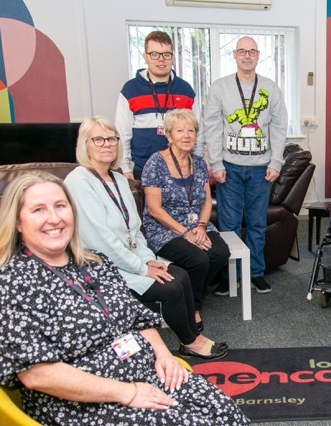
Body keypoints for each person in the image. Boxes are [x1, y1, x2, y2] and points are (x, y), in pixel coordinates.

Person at [0, 171, 249, 426]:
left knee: (217, 407)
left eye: (60, 205)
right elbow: (37, 374)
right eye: (39, 210)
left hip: (135, 369)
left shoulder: (93, 262)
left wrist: (163, 356)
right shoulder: (10, 285)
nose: (54, 217)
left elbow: (136, 316)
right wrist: (129, 393)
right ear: (18, 224)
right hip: (74, 398)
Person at [65, 116, 228, 360]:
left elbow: (135, 230)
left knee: (181, 275)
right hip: (100, 265)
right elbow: (102, 242)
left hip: (130, 256)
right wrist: (141, 267)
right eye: (98, 139)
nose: (107, 144)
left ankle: (191, 335)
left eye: (112, 138)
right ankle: (190, 341)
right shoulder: (78, 181)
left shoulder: (119, 179)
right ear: (84, 144)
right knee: (173, 286)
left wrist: (148, 259)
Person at [203, 35, 288, 295]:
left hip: (261, 168)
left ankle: (256, 273)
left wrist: (276, 161)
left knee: (256, 224)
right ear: (235, 55)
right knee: (228, 223)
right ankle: (231, 276)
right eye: (242, 51)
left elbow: (279, 126)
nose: (247, 55)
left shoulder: (271, 88)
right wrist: (216, 163)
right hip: (229, 166)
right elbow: (212, 127)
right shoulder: (220, 87)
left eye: (252, 51)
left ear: (258, 55)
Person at [141, 109, 228, 325]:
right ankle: (193, 307)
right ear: (169, 136)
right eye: (180, 131)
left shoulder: (199, 163)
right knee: (198, 260)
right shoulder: (155, 163)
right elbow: (154, 209)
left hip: (195, 224)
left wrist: (200, 226)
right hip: (163, 227)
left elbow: (207, 200)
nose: (187, 135)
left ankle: (190, 292)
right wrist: (186, 233)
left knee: (219, 253)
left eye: (191, 130)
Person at [116, 30, 198, 180]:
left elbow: (198, 131)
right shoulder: (130, 90)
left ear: (172, 57)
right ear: (145, 57)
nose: (161, 59)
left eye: (166, 54)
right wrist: (125, 168)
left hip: (181, 170)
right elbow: (122, 133)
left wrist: (197, 163)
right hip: (142, 170)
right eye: (154, 54)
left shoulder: (186, 90)